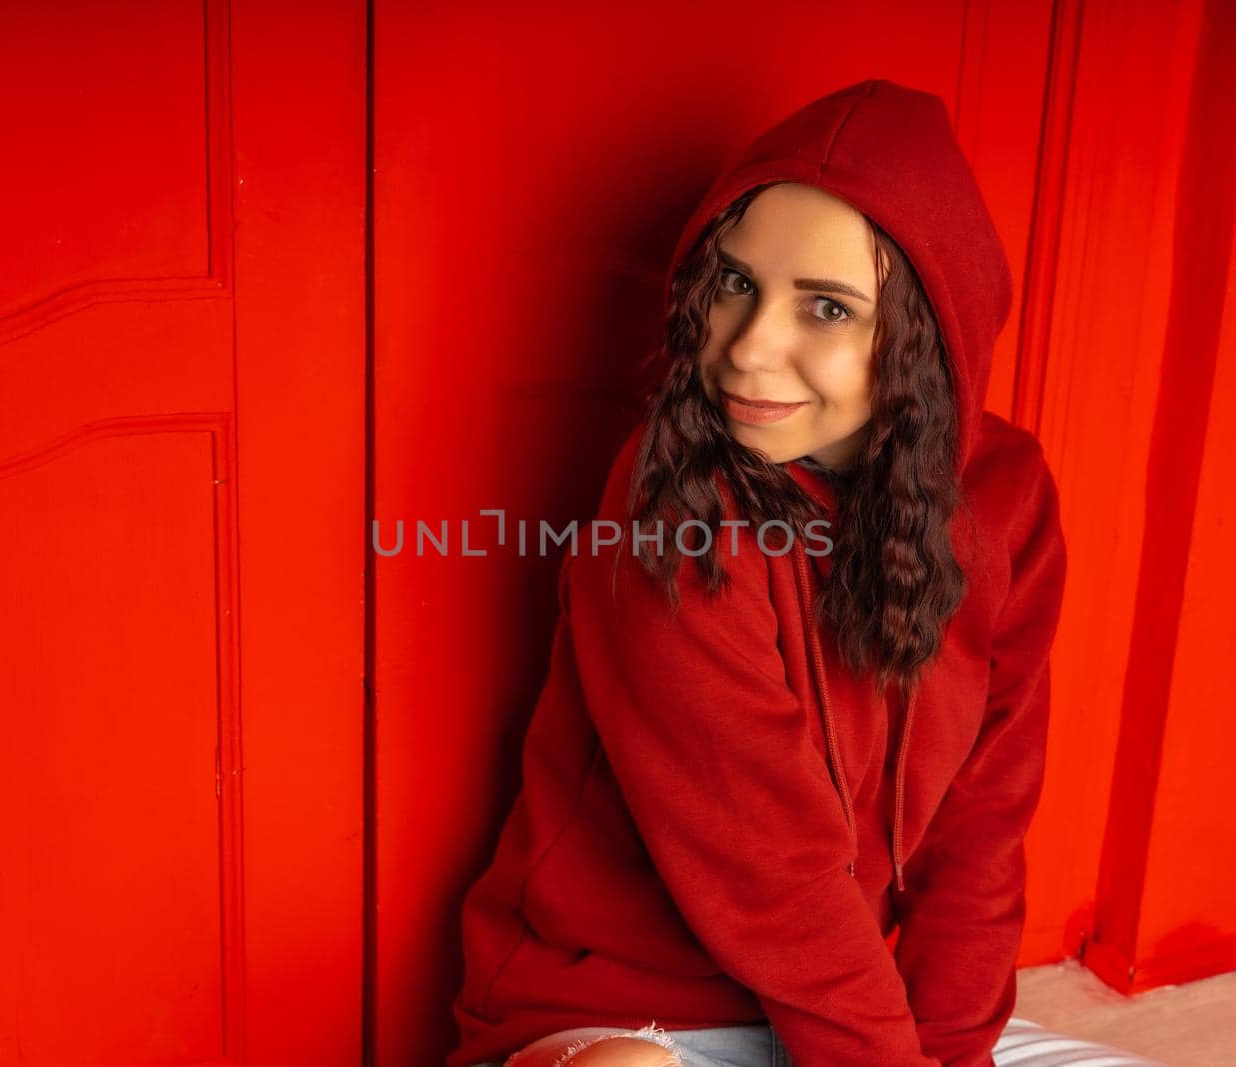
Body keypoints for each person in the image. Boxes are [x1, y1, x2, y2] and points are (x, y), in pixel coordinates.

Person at [447, 79, 1072, 1067]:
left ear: (926, 335)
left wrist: (953, 1054)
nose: (747, 348)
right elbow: (771, 869)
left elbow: (981, 826)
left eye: (825, 306)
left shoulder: (1008, 501)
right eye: (734, 284)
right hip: (630, 1011)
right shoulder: (669, 502)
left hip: (849, 1010)